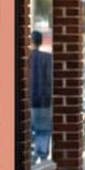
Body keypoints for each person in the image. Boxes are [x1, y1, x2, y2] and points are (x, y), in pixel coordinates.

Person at [29, 30, 51, 163]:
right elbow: (49, 80)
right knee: (42, 130)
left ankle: (32, 157)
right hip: (43, 101)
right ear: (41, 41)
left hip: (29, 100)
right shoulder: (47, 58)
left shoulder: (27, 58)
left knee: (31, 130)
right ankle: (41, 156)